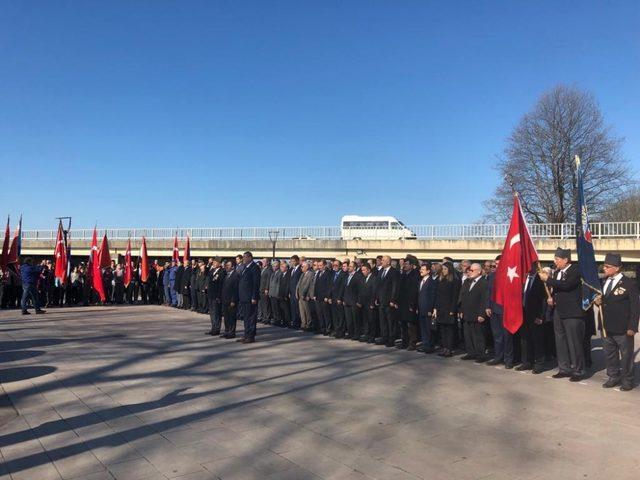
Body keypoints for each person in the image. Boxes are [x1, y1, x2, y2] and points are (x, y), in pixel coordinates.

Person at [539, 248, 586, 382]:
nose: (555, 262)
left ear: (566, 260)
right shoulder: (557, 272)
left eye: (557, 259)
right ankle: (564, 368)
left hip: (572, 312)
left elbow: (567, 285)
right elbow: (557, 288)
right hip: (558, 311)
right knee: (560, 341)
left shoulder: (575, 271)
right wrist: (551, 296)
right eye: (555, 259)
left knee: (574, 342)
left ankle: (578, 370)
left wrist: (548, 279)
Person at [596, 253, 639, 391]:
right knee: (610, 355)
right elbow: (605, 302)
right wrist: (598, 302)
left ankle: (627, 380)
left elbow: (635, 308)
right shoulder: (604, 282)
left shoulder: (629, 284)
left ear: (617, 268)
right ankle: (613, 376)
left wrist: (632, 326)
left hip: (623, 327)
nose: (604, 269)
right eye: (604, 266)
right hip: (606, 326)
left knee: (626, 356)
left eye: (607, 267)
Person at [519, 263, 548, 374]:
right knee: (525, 339)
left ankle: (539, 363)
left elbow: (544, 299)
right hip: (523, 313)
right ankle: (527, 362)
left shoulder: (540, 278)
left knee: (537, 340)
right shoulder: (524, 278)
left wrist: (540, 316)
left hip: (535, 314)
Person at [486, 254, 513, 367]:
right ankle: (498, 357)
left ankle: (508, 360)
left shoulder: (510, 275)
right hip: (494, 309)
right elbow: (489, 292)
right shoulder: (492, 276)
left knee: (507, 336)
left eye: (498, 264)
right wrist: (487, 306)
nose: (496, 266)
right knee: (497, 336)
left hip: (506, 309)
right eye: (495, 264)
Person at [459, 263, 489, 363]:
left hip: (477, 313)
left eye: (472, 270)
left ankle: (481, 354)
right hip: (467, 312)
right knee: (468, 334)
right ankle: (471, 352)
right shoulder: (467, 282)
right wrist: (461, 310)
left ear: (479, 271)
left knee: (478, 336)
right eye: (469, 270)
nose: (469, 272)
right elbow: (463, 297)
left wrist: (482, 314)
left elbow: (484, 300)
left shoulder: (484, 283)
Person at [434, 262, 460, 357]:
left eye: (445, 269)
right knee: (442, 330)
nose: (443, 271)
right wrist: (435, 308)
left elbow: (455, 296)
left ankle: (449, 349)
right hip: (441, 308)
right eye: (443, 269)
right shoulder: (440, 280)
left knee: (449, 330)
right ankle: (444, 348)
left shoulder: (454, 281)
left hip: (449, 309)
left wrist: (452, 310)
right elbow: (437, 295)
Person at [375, 255, 400, 347]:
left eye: (384, 260)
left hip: (389, 301)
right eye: (382, 260)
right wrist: (377, 298)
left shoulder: (394, 272)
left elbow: (395, 287)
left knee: (390, 321)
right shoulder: (381, 271)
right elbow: (378, 286)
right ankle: (384, 337)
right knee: (383, 321)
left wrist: (393, 300)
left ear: (388, 262)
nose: (382, 262)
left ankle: (391, 338)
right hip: (381, 300)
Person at [237, 251, 260, 343]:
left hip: (250, 297)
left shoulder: (254, 268)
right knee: (246, 317)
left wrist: (254, 297)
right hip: (244, 297)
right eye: (243, 257)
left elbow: (255, 283)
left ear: (250, 258)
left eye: (245, 257)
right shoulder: (245, 267)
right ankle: (246, 334)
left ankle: (251, 336)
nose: (244, 259)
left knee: (251, 317)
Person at [397, 255, 420, 350]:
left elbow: (414, 290)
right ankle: (404, 341)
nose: (404, 266)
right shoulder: (403, 274)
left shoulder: (415, 274)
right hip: (402, 303)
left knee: (411, 325)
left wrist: (412, 303)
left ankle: (412, 342)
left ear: (411, 265)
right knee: (403, 324)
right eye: (404, 264)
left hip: (410, 303)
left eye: (406, 264)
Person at [417, 262, 437, 353]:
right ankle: (425, 344)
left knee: (429, 328)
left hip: (428, 309)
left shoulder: (431, 282)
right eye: (420, 269)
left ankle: (429, 346)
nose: (421, 270)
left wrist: (432, 309)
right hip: (421, 308)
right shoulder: (421, 281)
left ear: (428, 271)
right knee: (423, 328)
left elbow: (433, 296)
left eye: (423, 269)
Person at [343, 261, 363, 341]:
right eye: (349, 266)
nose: (348, 268)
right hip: (347, 300)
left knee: (355, 319)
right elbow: (345, 289)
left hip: (354, 301)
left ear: (354, 268)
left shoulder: (358, 276)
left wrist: (359, 301)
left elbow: (360, 290)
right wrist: (344, 299)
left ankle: (357, 334)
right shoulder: (348, 276)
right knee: (349, 319)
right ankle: (350, 333)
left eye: (350, 266)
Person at [358, 263, 378, 343]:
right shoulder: (363, 278)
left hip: (370, 303)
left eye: (364, 270)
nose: (362, 272)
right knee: (365, 320)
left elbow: (374, 291)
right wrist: (359, 301)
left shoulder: (374, 278)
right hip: (364, 303)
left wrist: (372, 303)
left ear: (369, 270)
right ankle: (367, 335)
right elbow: (361, 291)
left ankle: (372, 336)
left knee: (371, 320)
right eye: (362, 270)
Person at [206, 257, 225, 335]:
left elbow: (221, 285)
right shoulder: (211, 271)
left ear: (219, 263)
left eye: (215, 262)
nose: (213, 264)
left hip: (217, 295)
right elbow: (206, 275)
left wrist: (219, 296)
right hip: (211, 295)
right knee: (212, 313)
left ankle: (217, 329)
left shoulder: (222, 271)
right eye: (213, 262)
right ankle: (213, 328)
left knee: (217, 313)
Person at [220, 260, 239, 338]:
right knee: (226, 317)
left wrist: (233, 300)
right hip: (225, 299)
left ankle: (231, 332)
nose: (226, 267)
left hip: (231, 300)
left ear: (233, 266)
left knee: (231, 317)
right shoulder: (227, 275)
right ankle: (227, 331)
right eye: (226, 265)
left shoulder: (235, 275)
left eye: (228, 265)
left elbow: (235, 289)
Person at [330, 260, 348, 338]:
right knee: (335, 315)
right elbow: (330, 286)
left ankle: (341, 331)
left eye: (336, 265)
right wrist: (329, 297)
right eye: (333, 265)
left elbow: (342, 287)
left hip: (339, 298)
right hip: (333, 297)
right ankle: (336, 330)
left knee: (340, 315)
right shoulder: (333, 273)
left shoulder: (344, 274)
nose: (334, 267)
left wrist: (340, 298)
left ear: (340, 266)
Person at [296, 261, 315, 331]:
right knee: (302, 311)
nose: (301, 268)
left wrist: (305, 294)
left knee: (307, 311)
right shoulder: (302, 274)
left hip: (305, 295)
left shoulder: (310, 274)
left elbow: (308, 285)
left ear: (307, 267)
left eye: (302, 266)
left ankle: (308, 324)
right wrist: (297, 292)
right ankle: (303, 324)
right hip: (300, 295)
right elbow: (298, 284)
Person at [289, 255, 302, 329]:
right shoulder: (292, 270)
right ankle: (294, 322)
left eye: (294, 261)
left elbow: (299, 282)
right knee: (293, 308)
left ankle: (297, 323)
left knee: (297, 309)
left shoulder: (300, 269)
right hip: (291, 292)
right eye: (291, 261)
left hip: (296, 292)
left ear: (297, 261)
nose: (292, 263)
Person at [277, 261, 291, 327]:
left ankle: (287, 322)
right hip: (280, 294)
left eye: (282, 267)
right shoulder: (282, 274)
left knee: (286, 309)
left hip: (285, 295)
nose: (281, 268)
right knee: (281, 309)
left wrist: (286, 294)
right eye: (281, 267)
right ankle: (283, 321)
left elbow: (288, 285)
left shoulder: (288, 275)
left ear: (286, 268)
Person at [259, 258, 273, 324]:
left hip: (265, 289)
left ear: (268, 262)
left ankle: (267, 318)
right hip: (261, 289)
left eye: (264, 261)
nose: (263, 263)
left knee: (266, 305)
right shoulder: (262, 269)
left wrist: (267, 288)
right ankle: (264, 317)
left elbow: (268, 279)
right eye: (262, 261)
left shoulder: (269, 269)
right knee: (262, 304)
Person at [268, 260, 282, 326]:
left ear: (278, 266)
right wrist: (270, 293)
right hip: (271, 293)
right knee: (273, 308)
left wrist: (277, 294)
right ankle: (275, 319)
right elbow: (271, 284)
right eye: (273, 266)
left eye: (275, 266)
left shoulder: (280, 273)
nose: (274, 267)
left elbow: (279, 284)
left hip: (276, 294)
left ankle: (278, 320)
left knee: (277, 308)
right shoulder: (273, 273)